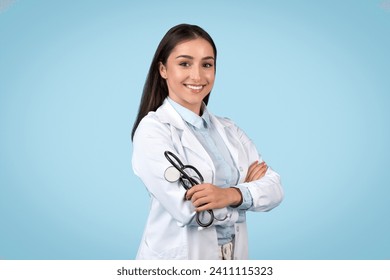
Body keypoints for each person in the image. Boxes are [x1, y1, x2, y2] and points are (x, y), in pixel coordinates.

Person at [131, 23, 283, 260]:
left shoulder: (229, 129)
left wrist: (231, 195)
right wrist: (247, 196)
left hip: (231, 256)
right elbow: (189, 210)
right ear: (163, 69)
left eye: (207, 64)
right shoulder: (153, 131)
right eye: (184, 63)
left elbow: (274, 188)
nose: (198, 76)